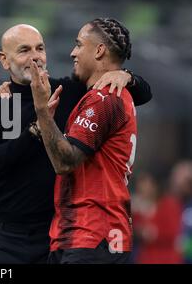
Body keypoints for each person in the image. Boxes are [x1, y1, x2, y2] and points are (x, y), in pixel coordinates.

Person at [0, 23, 152, 264]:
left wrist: (127, 76)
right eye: (24, 50)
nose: (35, 56)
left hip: (58, 233)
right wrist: (34, 130)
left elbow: (142, 94)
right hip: (8, 239)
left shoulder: (67, 90)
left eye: (40, 48)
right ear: (5, 60)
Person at [29, 18, 138, 264]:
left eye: (79, 44)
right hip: (84, 236)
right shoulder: (109, 95)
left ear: (99, 50)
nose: (73, 52)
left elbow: (65, 163)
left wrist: (42, 111)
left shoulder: (104, 98)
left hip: (93, 235)